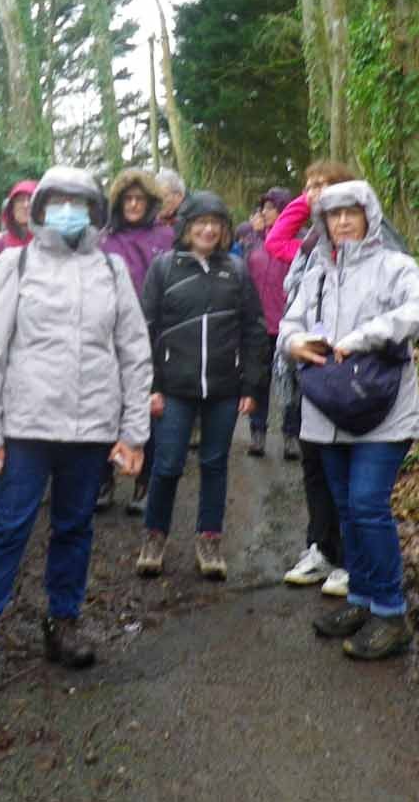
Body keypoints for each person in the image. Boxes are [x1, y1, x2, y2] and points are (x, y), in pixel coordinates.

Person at [0, 166, 152, 701]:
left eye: (79, 201)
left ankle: (62, 620)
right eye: (57, 201)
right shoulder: (15, 265)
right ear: (39, 210)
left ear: (94, 210)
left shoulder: (111, 270)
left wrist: (133, 434)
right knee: (7, 528)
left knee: (74, 527)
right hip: (25, 428)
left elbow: (134, 352)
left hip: (91, 430)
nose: (69, 209)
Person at [278, 180, 419, 660]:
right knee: (347, 509)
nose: (344, 221)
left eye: (353, 212)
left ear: (369, 217)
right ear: (324, 223)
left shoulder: (394, 266)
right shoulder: (317, 273)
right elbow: (290, 321)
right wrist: (294, 343)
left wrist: (365, 335)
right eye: (334, 214)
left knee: (368, 504)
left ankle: (391, 613)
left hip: (384, 411)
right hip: (328, 408)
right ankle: (362, 599)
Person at [134, 191, 267, 582]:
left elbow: (254, 330)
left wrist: (252, 387)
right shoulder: (163, 269)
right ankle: (154, 537)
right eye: (200, 222)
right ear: (186, 227)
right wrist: (150, 386)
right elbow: (146, 329)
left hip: (224, 389)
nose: (208, 229)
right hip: (174, 387)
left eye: (216, 223)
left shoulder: (237, 271)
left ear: (224, 229)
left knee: (214, 464)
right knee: (168, 464)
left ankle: (209, 540)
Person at [268, 161, 358, 595]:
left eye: (323, 185)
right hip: (307, 366)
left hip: (348, 369)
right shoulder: (309, 244)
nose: (314, 193)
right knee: (313, 464)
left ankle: (348, 557)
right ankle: (320, 547)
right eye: (309, 187)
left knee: (343, 466)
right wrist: (303, 203)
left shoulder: (364, 237)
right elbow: (275, 241)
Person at [99, 167, 175, 515]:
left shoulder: (165, 236)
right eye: (127, 199)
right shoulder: (104, 238)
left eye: (139, 199)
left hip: (154, 332)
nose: (133, 205)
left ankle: (145, 482)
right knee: (106, 406)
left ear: (149, 202)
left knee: (150, 405)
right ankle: (104, 479)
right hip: (109, 332)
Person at [244, 186, 293, 458]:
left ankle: (290, 435)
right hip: (259, 325)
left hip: (288, 324)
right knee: (258, 381)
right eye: (263, 207)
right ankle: (257, 433)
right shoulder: (254, 242)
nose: (264, 212)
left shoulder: (297, 241)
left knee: (289, 383)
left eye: (270, 207)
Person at [0, 180, 37, 250]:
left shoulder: (47, 241)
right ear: (12, 208)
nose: (26, 205)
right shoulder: (0, 243)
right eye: (20, 200)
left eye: (31, 199)